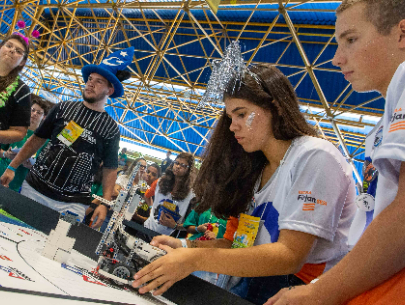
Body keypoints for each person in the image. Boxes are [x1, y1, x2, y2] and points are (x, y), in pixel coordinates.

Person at [132, 60, 356, 304]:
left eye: (242, 114)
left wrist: (192, 260)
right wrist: (184, 247)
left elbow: (290, 255)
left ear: (277, 107)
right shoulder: (253, 169)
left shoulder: (315, 156)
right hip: (246, 282)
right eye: (229, 116)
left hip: (297, 290)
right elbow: (234, 243)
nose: (232, 126)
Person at [265, 1, 405, 304]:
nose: (336, 58)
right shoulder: (385, 121)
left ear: (402, 34)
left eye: (351, 40)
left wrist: (319, 291)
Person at [0, 47, 135, 226]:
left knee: (55, 249)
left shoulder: (110, 129)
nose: (90, 83)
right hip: (34, 189)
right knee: (14, 232)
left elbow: (110, 168)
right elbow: (36, 139)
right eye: (90, 79)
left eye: (99, 81)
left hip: (73, 205)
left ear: (110, 90)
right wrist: (13, 166)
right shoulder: (63, 108)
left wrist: (104, 203)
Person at [0, 94, 54, 192]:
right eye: (32, 110)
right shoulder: (15, 128)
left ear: (44, 117)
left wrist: (32, 166)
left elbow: (44, 168)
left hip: (17, 183)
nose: (34, 114)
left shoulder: (44, 141)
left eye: (39, 112)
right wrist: (5, 154)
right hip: (2, 169)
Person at [143, 152, 196, 236]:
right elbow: (146, 195)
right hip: (147, 230)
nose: (178, 166)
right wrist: (151, 207)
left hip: (167, 238)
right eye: (177, 163)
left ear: (189, 170)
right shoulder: (159, 182)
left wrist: (175, 226)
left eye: (183, 165)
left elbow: (193, 226)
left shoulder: (191, 195)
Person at [0, 33, 31, 145]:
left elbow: (19, 133)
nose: (12, 50)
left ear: (22, 62)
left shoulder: (21, 90)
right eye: (9, 46)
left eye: (18, 51)